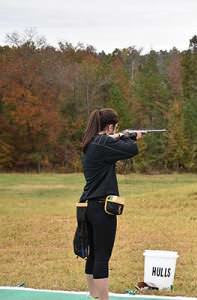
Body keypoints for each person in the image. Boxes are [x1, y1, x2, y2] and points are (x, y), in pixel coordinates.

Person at [80, 108, 141, 300]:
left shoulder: (91, 143)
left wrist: (119, 136)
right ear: (110, 126)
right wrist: (131, 137)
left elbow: (112, 142)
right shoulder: (103, 142)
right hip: (102, 208)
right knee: (102, 257)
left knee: (93, 253)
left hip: (87, 206)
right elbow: (132, 149)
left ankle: (94, 295)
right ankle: (104, 299)